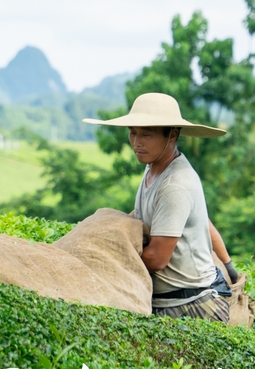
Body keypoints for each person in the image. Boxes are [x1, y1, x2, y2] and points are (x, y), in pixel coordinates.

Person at [84, 93, 238, 323]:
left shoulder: (175, 184)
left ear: (172, 135)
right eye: (133, 133)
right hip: (166, 299)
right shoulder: (154, 166)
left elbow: (156, 258)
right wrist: (228, 264)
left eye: (146, 134)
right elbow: (203, 221)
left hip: (190, 307)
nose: (137, 142)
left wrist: (110, 263)